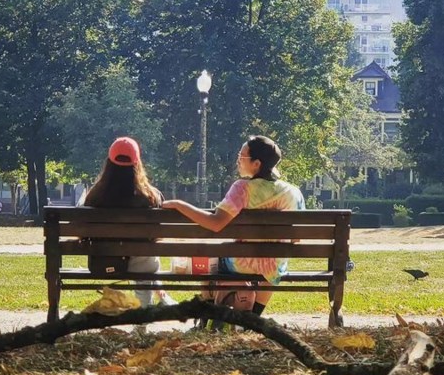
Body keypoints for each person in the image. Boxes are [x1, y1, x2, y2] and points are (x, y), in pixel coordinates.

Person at [162, 135, 305, 318]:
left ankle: (208, 317)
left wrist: (180, 205)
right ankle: (253, 317)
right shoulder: (293, 193)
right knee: (272, 265)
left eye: (242, 156)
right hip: (273, 266)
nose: (238, 159)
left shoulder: (242, 188)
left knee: (209, 260)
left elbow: (216, 223)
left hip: (240, 264)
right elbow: (296, 238)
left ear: (256, 164)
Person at [83, 137, 175, 307]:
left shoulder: (94, 196)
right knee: (146, 258)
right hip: (141, 266)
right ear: (137, 163)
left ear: (109, 163)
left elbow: (83, 233)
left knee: (144, 257)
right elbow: (158, 235)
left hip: (104, 262)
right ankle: (145, 316)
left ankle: (161, 297)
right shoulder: (151, 196)